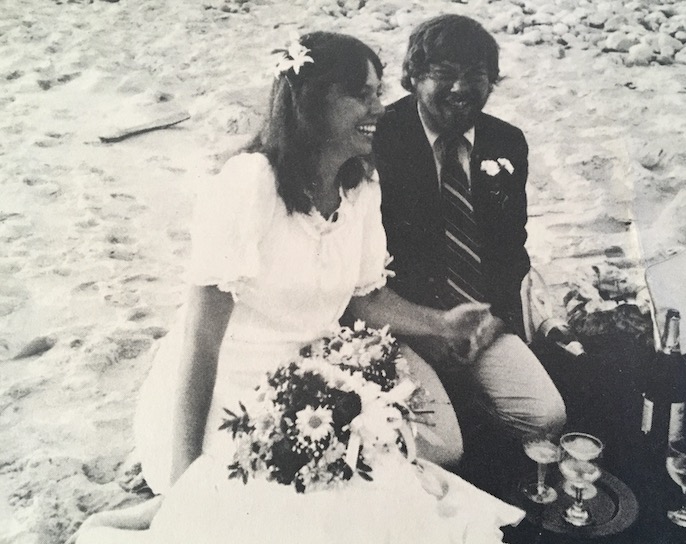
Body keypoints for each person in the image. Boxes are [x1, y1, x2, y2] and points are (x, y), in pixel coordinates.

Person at [73, 31, 523, 544]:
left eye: (378, 92)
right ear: (312, 101)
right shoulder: (249, 185)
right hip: (230, 389)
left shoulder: (360, 187)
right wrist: (184, 482)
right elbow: (200, 342)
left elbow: (366, 298)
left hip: (313, 379)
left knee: (382, 493)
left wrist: (440, 323)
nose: (379, 107)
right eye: (362, 94)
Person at [367, 14, 566, 479]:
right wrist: (425, 331)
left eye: (476, 74)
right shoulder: (380, 138)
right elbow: (363, 264)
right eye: (444, 72)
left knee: (547, 418)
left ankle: (463, 398)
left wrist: (495, 320)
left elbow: (512, 249)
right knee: (441, 452)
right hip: (400, 322)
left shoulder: (506, 142)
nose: (461, 87)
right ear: (413, 77)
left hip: (477, 320)